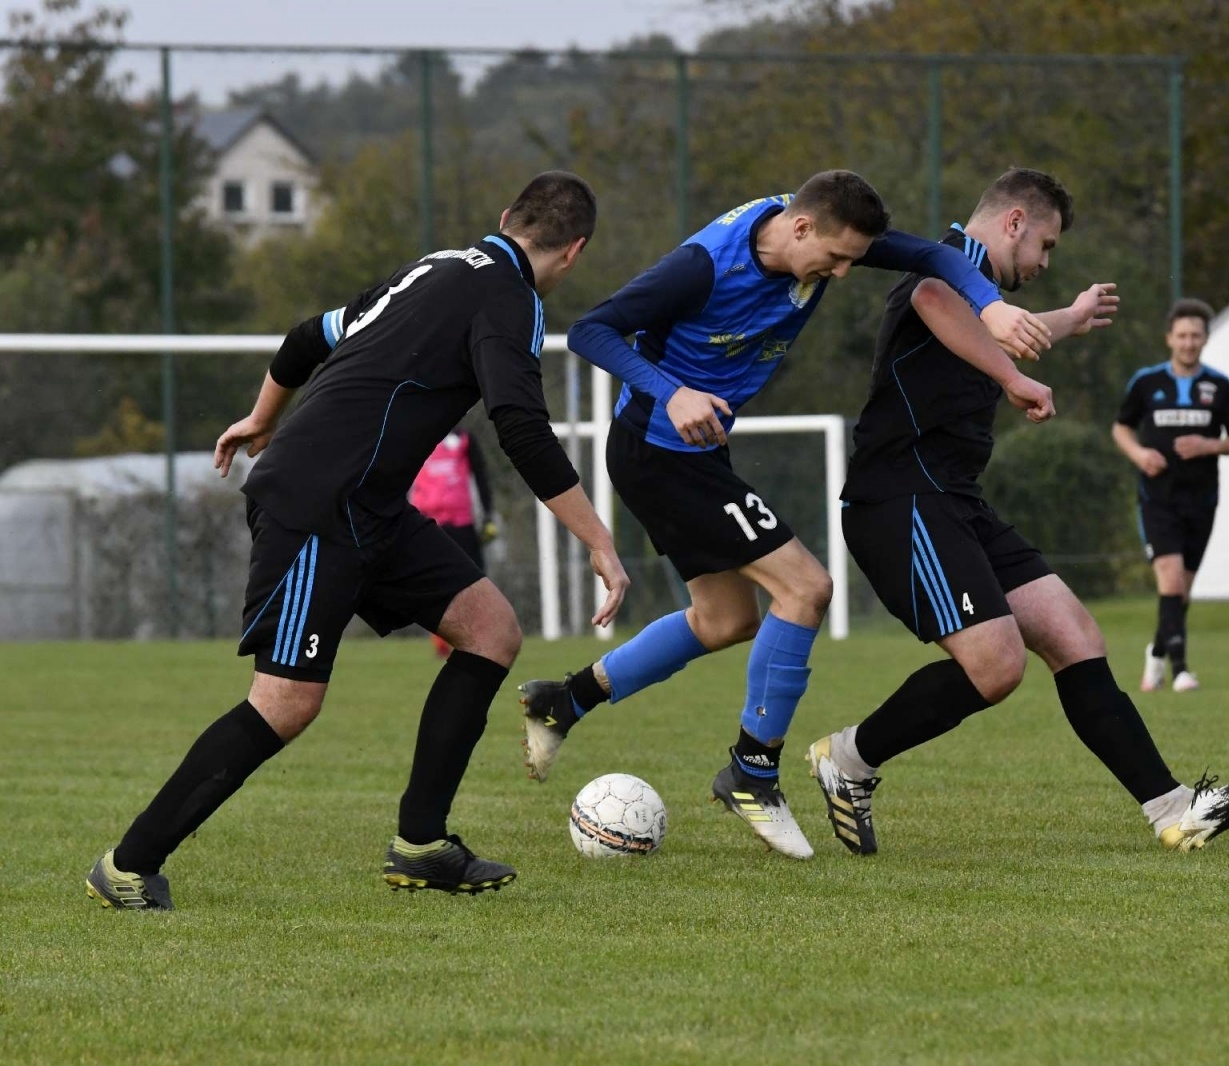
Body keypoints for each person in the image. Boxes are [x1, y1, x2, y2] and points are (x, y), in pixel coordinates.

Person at [84, 172, 629, 910]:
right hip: (318, 506)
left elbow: (309, 337)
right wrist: (598, 539)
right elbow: (522, 427)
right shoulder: (514, 300)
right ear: (575, 252)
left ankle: (422, 845)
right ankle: (126, 864)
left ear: (505, 217)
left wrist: (262, 415)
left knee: (490, 630)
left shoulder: (434, 268)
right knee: (285, 704)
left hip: (365, 505)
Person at [515, 169, 1053, 860]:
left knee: (727, 620)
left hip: (693, 455)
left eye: (852, 261)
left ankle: (564, 700)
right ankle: (752, 771)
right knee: (806, 587)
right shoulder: (703, 267)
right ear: (801, 229)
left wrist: (989, 304)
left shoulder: (827, 230)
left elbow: (932, 256)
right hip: (659, 451)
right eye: (833, 260)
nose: (843, 273)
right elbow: (593, 332)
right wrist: (672, 391)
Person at [805, 167, 1229, 856]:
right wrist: (1013, 376)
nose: (1045, 263)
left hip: (955, 500)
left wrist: (1066, 324)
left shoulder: (983, 297)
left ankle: (1174, 811)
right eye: (1045, 246)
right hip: (900, 499)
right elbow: (936, 299)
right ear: (1015, 223)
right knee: (996, 667)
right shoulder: (954, 264)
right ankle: (847, 759)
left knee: (1075, 634)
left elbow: (993, 331)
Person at [1112, 298, 1229, 693]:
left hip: (1202, 500)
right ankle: (1181, 669)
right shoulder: (1146, 382)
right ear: (1170, 338)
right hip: (1157, 500)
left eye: (1196, 336)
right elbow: (1121, 428)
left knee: (1181, 591)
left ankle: (1156, 652)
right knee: (1170, 581)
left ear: (1205, 339)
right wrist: (1139, 454)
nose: (1189, 343)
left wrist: (1208, 447)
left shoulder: (1220, 387)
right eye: (1182, 335)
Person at [409, 424, 500, 657]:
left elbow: (480, 475)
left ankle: (480, 634)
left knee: (474, 581)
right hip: (425, 523)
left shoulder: (464, 439)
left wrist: (488, 514)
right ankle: (442, 637)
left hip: (461, 522)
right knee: (432, 585)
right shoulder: (416, 435)